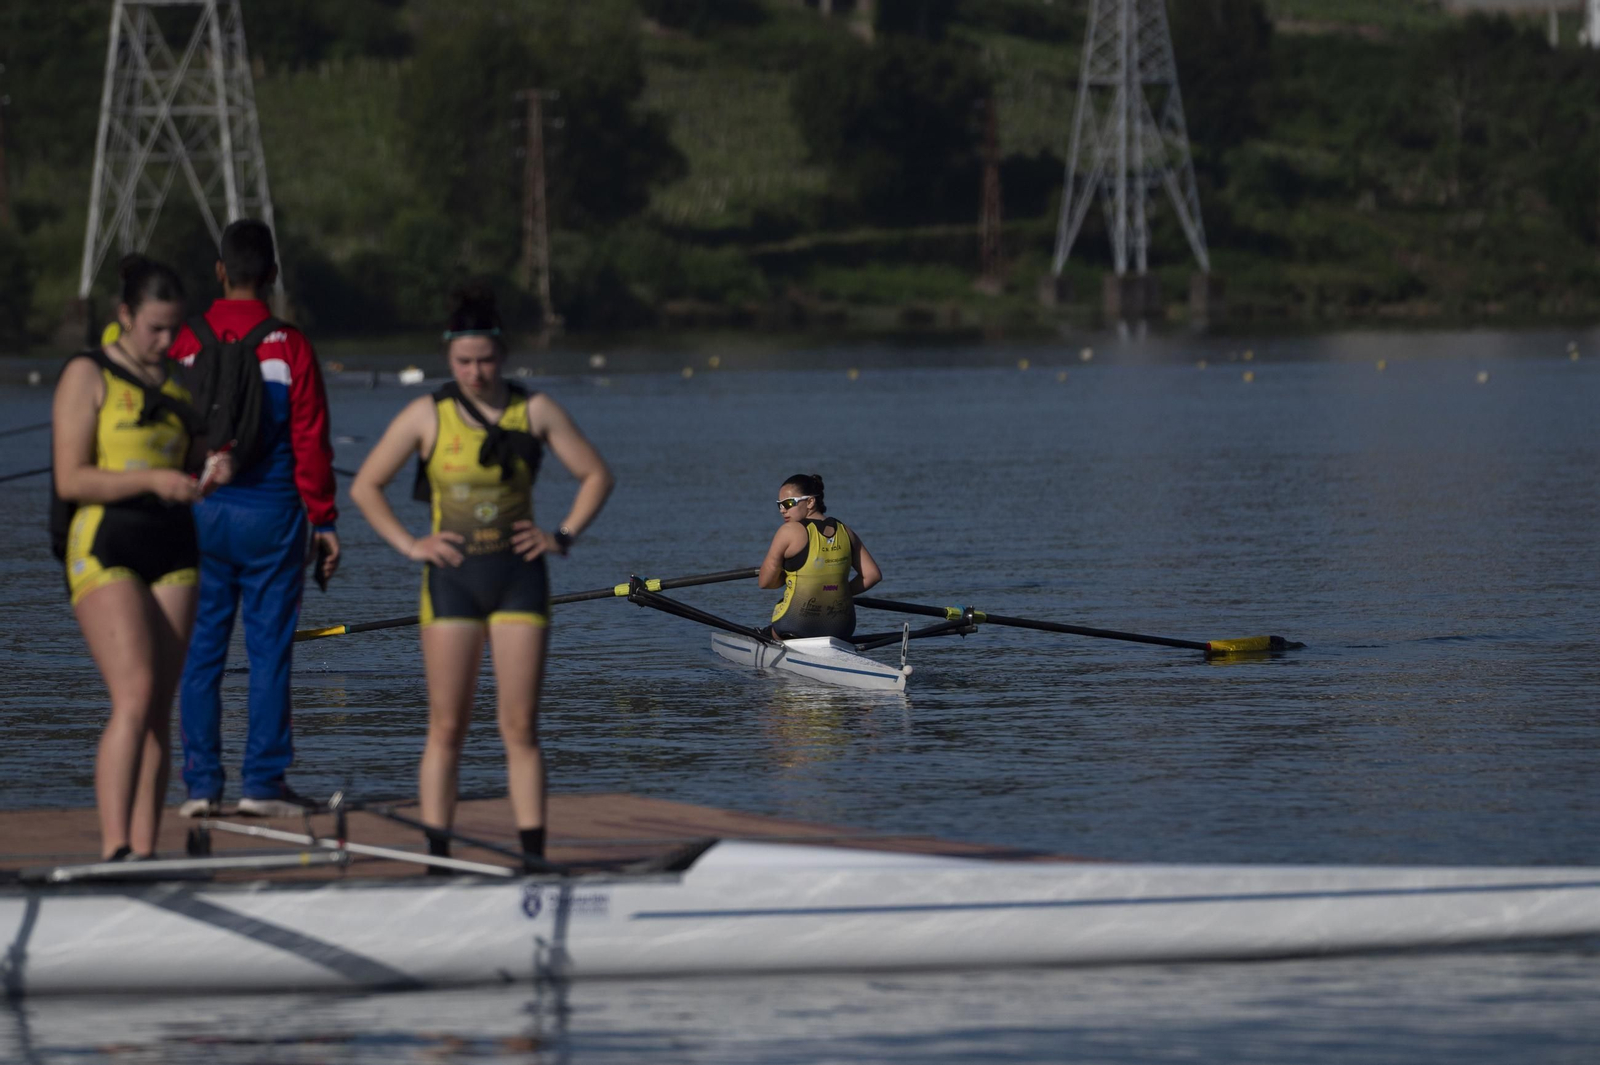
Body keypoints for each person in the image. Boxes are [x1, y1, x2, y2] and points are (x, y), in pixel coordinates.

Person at [350, 285, 612, 869]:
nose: (475, 372)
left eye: (486, 360)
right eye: (464, 362)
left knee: (519, 726)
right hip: (452, 581)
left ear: (504, 354)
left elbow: (595, 474)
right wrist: (411, 544)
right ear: (449, 358)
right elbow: (366, 487)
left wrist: (561, 536)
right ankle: (437, 857)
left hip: (520, 578)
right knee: (447, 727)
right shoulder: (426, 414)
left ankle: (532, 858)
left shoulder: (535, 410)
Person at [52, 255, 231, 860]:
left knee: (159, 705)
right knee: (134, 693)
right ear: (124, 316)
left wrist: (213, 469)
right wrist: (154, 480)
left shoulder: (179, 384)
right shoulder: (89, 373)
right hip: (106, 542)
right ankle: (114, 851)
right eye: (154, 327)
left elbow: (198, 456)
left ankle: (147, 853)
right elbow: (72, 478)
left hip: (174, 546)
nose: (165, 341)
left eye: (173, 328)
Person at [173, 219, 340, 819]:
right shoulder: (288, 345)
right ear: (270, 274)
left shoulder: (184, 343)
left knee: (200, 654)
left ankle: (199, 787)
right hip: (272, 520)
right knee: (269, 653)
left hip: (197, 516)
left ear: (220, 272)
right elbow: (310, 442)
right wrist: (324, 521)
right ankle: (263, 785)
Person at [758, 474, 881, 640]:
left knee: (767, 632)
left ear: (810, 502)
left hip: (795, 625)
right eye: (779, 505)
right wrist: (836, 594)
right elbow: (873, 575)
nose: (782, 510)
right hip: (842, 627)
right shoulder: (846, 531)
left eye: (788, 503)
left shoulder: (788, 531)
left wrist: (782, 577)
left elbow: (765, 582)